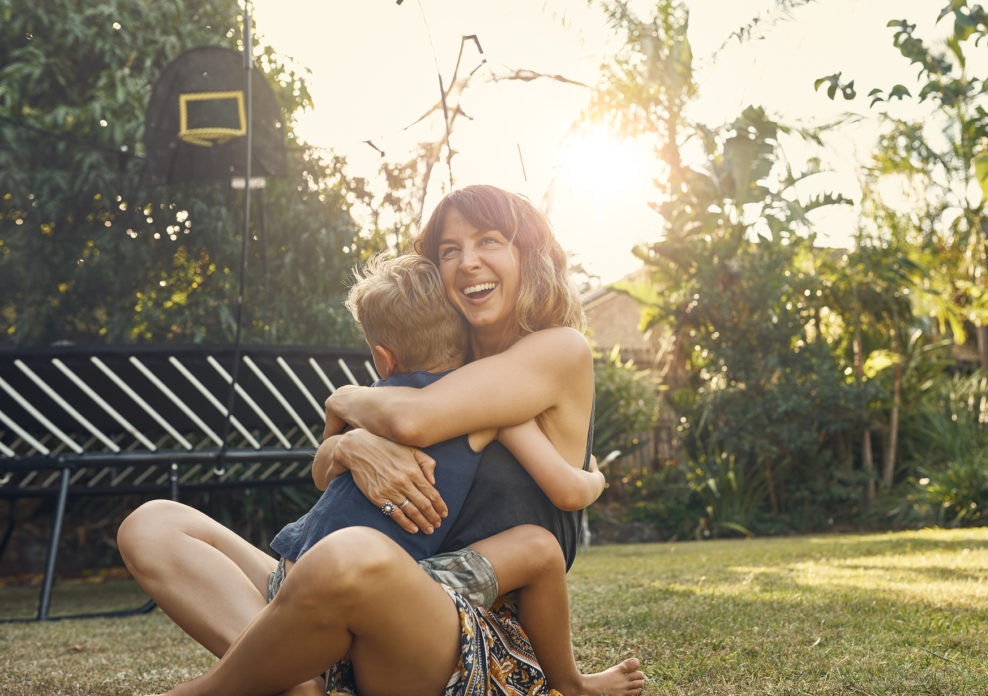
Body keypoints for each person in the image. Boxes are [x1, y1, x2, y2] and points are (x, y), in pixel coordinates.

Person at [121, 184, 643, 696]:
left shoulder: (558, 349)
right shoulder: (437, 362)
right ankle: (298, 685)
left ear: (528, 255)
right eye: (449, 250)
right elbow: (326, 472)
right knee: (154, 524)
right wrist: (349, 446)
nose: (467, 262)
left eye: (489, 241)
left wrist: (343, 399)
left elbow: (413, 422)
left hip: (462, 631)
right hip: (357, 591)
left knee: (350, 555)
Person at [269, 251, 622, 695]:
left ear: (383, 359)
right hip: (388, 591)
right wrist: (596, 477)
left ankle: (298, 678)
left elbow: (322, 475)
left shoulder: (372, 402)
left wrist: (342, 413)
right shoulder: (486, 411)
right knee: (540, 549)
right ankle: (571, 683)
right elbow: (567, 490)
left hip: (292, 573)